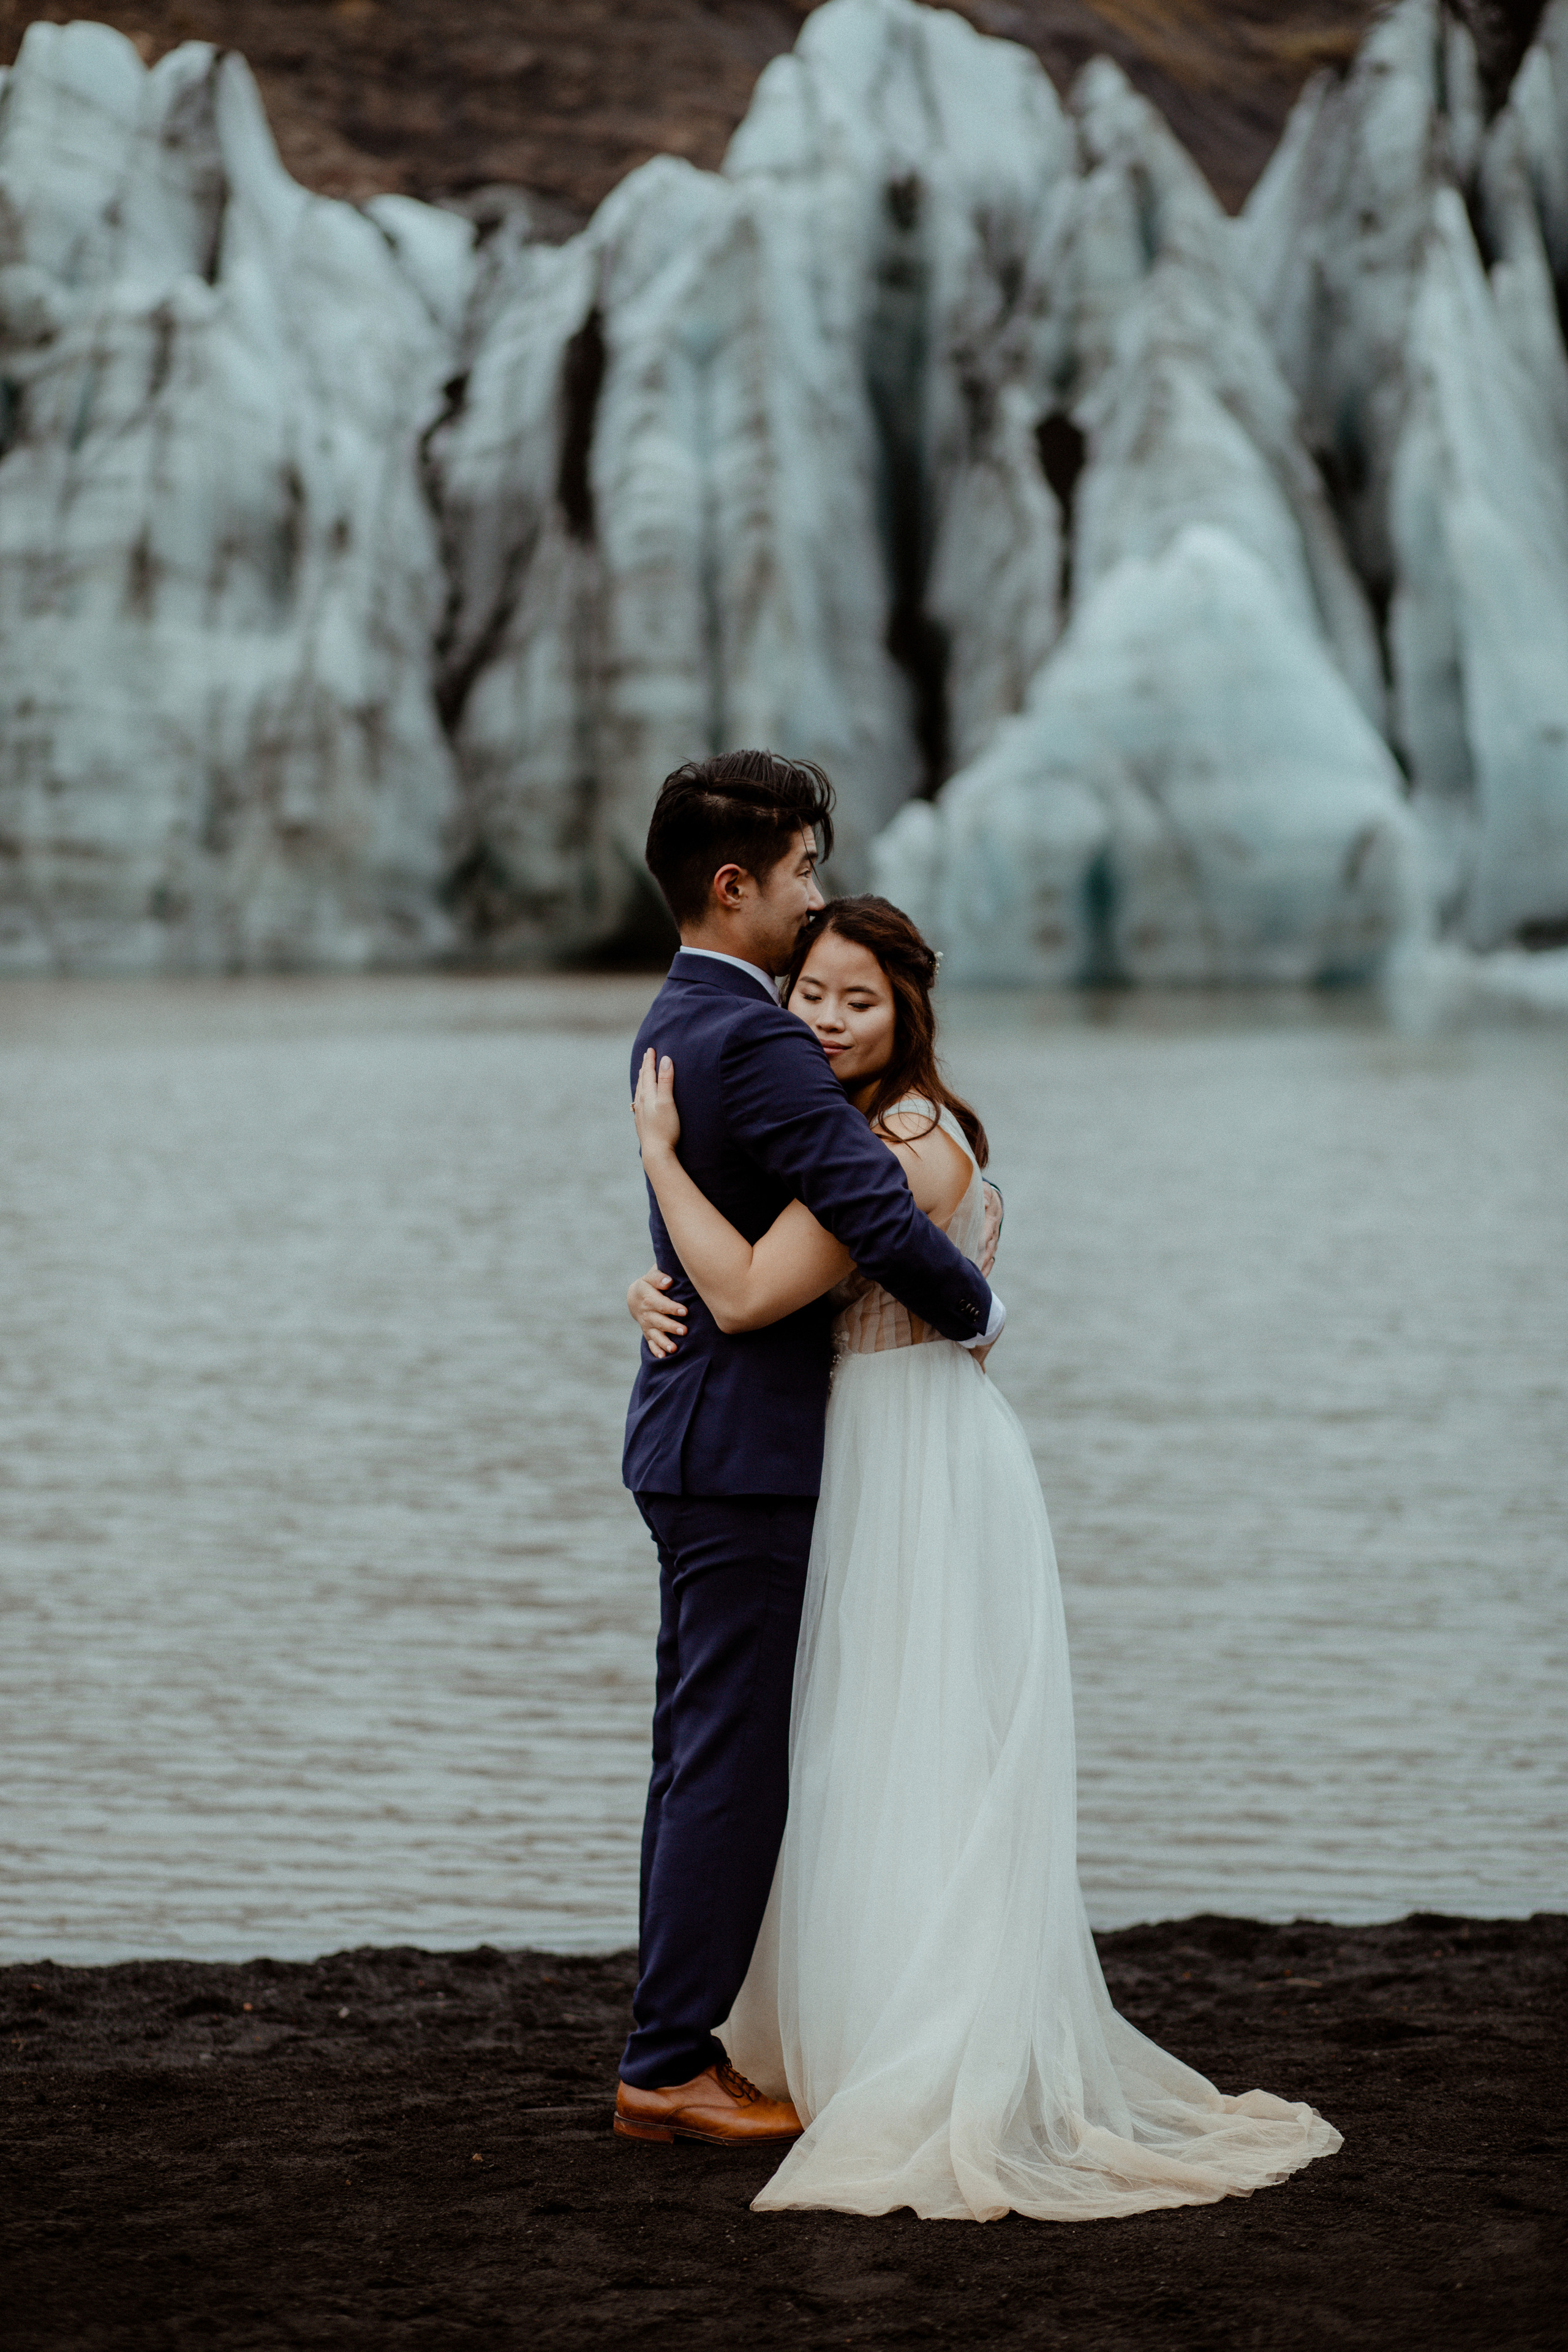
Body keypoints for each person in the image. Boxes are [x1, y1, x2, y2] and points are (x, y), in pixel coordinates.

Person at [626, 891, 1343, 2220]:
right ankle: (843, 2022)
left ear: (908, 1012)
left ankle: (916, 2043)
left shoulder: (903, 1143)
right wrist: (639, 1280)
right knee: (853, 1747)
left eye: (859, 1000)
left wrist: (659, 1159)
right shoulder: (840, 1128)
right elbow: (739, 1276)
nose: (827, 1019)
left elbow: (750, 1288)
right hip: (861, 1446)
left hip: (914, 1456)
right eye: (811, 994)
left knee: (914, 1748)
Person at [614, 752, 1005, 2152]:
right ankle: (667, 2062)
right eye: (799, 872)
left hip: (689, 1439)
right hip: (748, 1451)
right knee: (729, 1765)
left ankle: (672, 2041)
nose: (810, 895)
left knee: (693, 1754)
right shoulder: (757, 1038)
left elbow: (719, 1221)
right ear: (736, 885)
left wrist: (650, 1266)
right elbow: (872, 1216)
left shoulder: (673, 1017)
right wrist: (981, 1310)